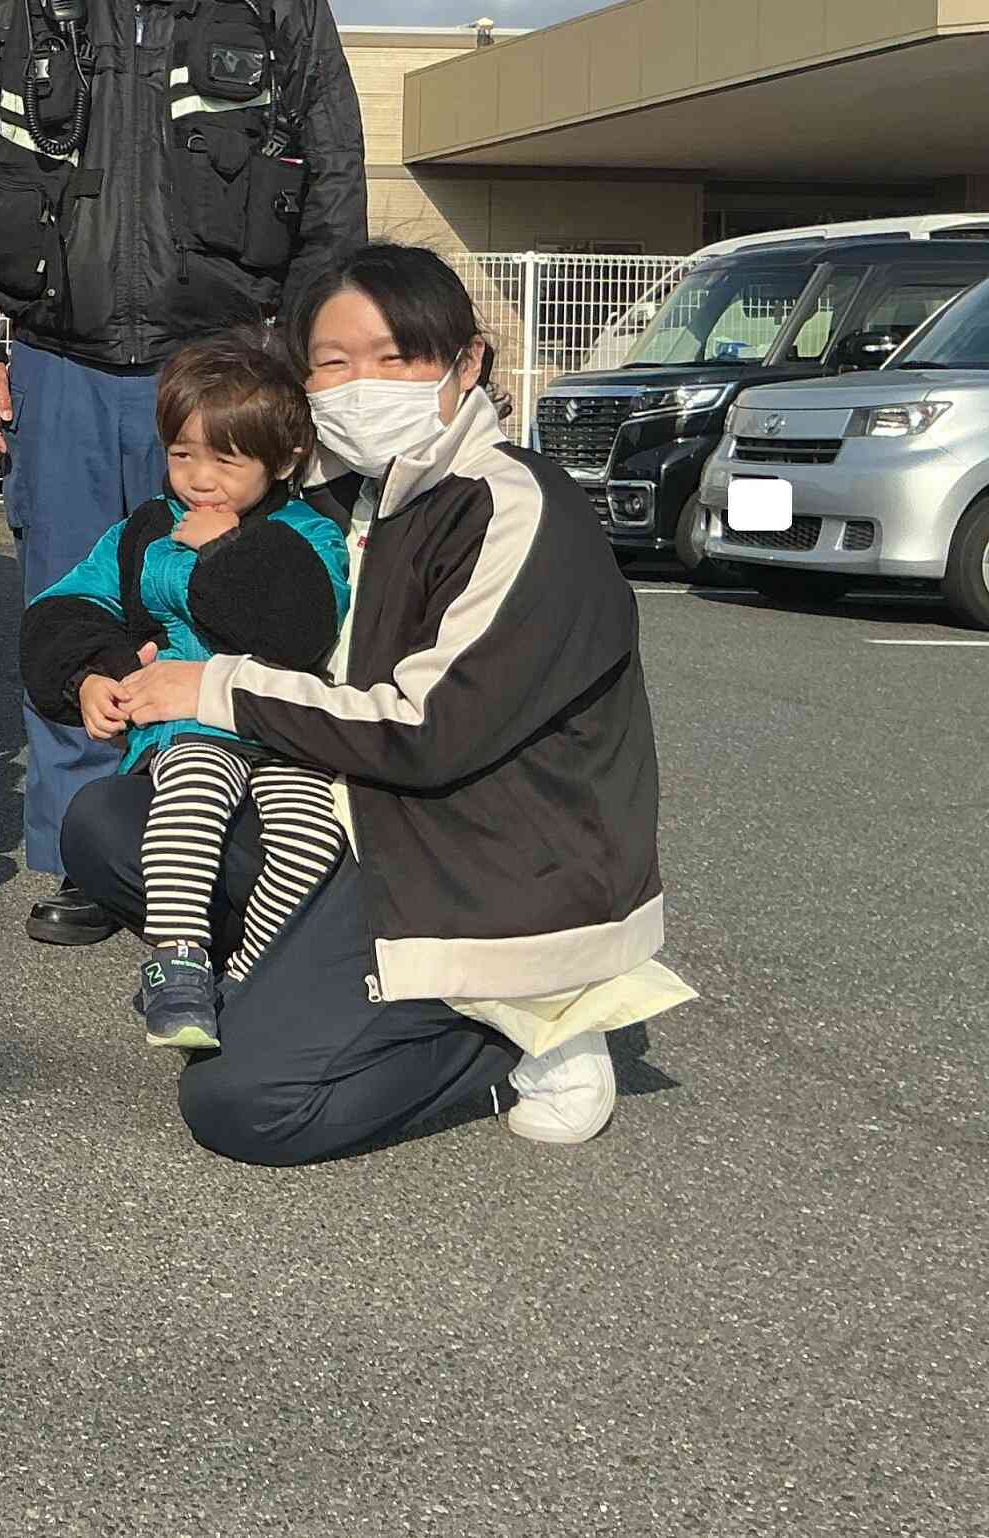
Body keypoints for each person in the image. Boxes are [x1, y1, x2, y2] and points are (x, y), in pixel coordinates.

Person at [75, 244, 695, 1163]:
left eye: (395, 357)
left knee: (243, 1104)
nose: (362, 384)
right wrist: (99, 662)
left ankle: (510, 1032)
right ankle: (310, 981)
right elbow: (122, 584)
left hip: (480, 858)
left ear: (467, 363)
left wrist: (212, 687)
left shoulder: (511, 507)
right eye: (332, 362)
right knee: (105, 824)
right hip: (355, 808)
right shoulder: (338, 491)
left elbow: (425, 729)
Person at [0, 0, 368, 946]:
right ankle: (91, 855)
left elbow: (333, 192)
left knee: (239, 607)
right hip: (58, 371)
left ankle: (239, 845)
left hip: (223, 371)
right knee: (77, 610)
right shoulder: (11, 8)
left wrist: (313, 364)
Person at [16, 329, 349, 1050]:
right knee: (191, 793)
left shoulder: (309, 534)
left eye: (226, 461)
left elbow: (300, 631)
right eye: (181, 455)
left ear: (283, 460)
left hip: (287, 732)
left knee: (309, 832)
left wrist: (228, 550)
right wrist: (93, 672)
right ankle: (179, 960)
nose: (199, 480)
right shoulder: (146, 530)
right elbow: (69, 604)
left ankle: (253, 976)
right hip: (188, 730)